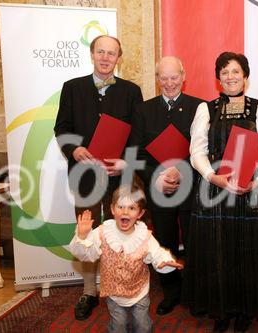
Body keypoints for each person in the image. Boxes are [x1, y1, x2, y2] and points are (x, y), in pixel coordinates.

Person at [182, 52, 258, 332]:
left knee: (248, 251)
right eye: (224, 72)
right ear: (218, 78)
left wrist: (256, 179)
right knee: (217, 251)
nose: (230, 77)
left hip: (250, 190)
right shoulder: (206, 109)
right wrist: (212, 176)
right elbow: (196, 151)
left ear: (246, 76)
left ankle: (245, 311)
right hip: (214, 190)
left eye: (236, 71)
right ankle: (221, 311)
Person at [54, 35, 143, 320]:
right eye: (101, 52)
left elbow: (139, 134)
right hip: (85, 176)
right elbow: (62, 128)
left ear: (119, 58)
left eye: (112, 53)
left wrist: (125, 162)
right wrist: (74, 148)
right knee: (87, 231)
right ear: (92, 55)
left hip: (120, 178)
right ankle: (90, 291)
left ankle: (122, 285)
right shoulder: (72, 88)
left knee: (121, 231)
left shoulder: (131, 91)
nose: (106, 58)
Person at [128, 56, 203, 315]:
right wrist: (158, 178)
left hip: (192, 187)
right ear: (157, 79)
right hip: (159, 190)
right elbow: (135, 155)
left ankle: (195, 292)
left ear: (183, 77)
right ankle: (171, 291)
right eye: (164, 78)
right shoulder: (143, 110)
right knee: (164, 242)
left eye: (174, 77)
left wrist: (183, 174)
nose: (169, 83)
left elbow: (206, 151)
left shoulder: (199, 107)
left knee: (195, 241)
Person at [69, 184, 183, 333]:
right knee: (119, 326)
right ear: (112, 209)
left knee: (143, 326)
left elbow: (157, 253)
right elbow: (87, 254)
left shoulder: (144, 235)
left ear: (140, 213)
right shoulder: (103, 232)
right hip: (114, 292)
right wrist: (82, 237)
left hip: (139, 290)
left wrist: (164, 261)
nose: (125, 212)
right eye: (120, 207)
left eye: (132, 208)